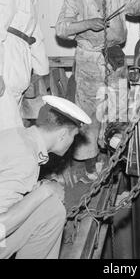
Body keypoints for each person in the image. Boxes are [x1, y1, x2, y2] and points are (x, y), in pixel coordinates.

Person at [55, 0, 140, 178]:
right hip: (89, 60)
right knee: (90, 114)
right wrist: (87, 23)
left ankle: (118, 160)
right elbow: (61, 29)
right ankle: (90, 163)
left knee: (118, 109)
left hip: (114, 57)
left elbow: (139, 5)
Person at [0, 95, 91, 259]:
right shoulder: (25, 158)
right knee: (52, 212)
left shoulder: (19, 136)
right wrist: (44, 191)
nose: (73, 142)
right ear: (63, 134)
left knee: (49, 208)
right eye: (74, 136)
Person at [0, 0, 55, 131]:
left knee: (12, 130)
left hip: (18, 68)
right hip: (7, 66)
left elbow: (35, 35)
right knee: (7, 132)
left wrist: (43, 75)